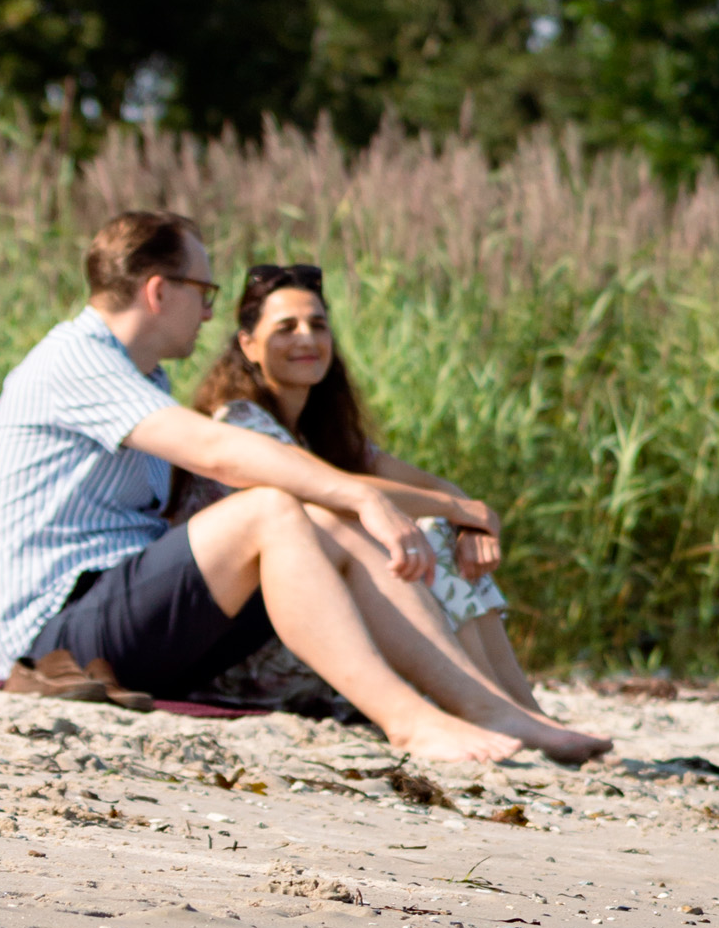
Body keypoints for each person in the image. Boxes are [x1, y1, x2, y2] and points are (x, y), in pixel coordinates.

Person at [0, 211, 610, 764]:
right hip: (55, 637)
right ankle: (411, 721)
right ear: (159, 291)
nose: (211, 310)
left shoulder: (144, 379)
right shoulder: (76, 361)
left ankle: (487, 706)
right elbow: (222, 453)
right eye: (204, 290)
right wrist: (362, 494)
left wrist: (360, 506)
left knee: (320, 518)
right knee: (274, 509)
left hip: (123, 618)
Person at [169, 264, 543, 716]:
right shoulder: (240, 423)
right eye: (286, 328)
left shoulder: (320, 432)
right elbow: (344, 490)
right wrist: (464, 512)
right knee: (431, 529)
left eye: (318, 325)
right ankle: (491, 704)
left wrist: (470, 520)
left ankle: (517, 703)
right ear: (248, 344)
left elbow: (430, 487)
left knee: (438, 529)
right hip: (257, 650)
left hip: (323, 628)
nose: (307, 338)